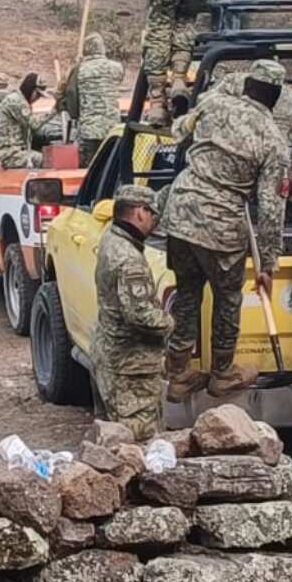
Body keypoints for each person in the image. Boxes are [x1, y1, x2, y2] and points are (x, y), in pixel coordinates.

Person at [158, 59, 292, 401]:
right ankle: (222, 372)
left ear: (246, 86)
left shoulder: (213, 104)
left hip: (181, 210)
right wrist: (268, 264)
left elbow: (177, 131)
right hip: (221, 225)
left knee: (187, 291)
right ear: (275, 97)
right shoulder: (273, 139)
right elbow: (271, 208)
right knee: (227, 299)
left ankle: (178, 372)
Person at [92, 186, 173, 440]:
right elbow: (140, 315)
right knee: (136, 442)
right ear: (139, 212)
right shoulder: (129, 260)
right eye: (152, 215)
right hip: (130, 368)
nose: (155, 222)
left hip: (108, 354)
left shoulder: (111, 238)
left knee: (112, 436)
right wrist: (171, 323)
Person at [62, 33, 124, 166]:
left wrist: (74, 115)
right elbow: (118, 80)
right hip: (112, 127)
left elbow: (71, 93)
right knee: (111, 165)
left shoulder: (79, 69)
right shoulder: (116, 67)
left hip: (89, 128)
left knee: (91, 167)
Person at [0, 74, 51, 169]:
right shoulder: (15, 101)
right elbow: (34, 124)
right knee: (46, 160)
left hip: (20, 152)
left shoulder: (23, 102)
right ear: (30, 90)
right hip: (11, 154)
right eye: (37, 94)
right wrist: (52, 111)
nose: (37, 99)